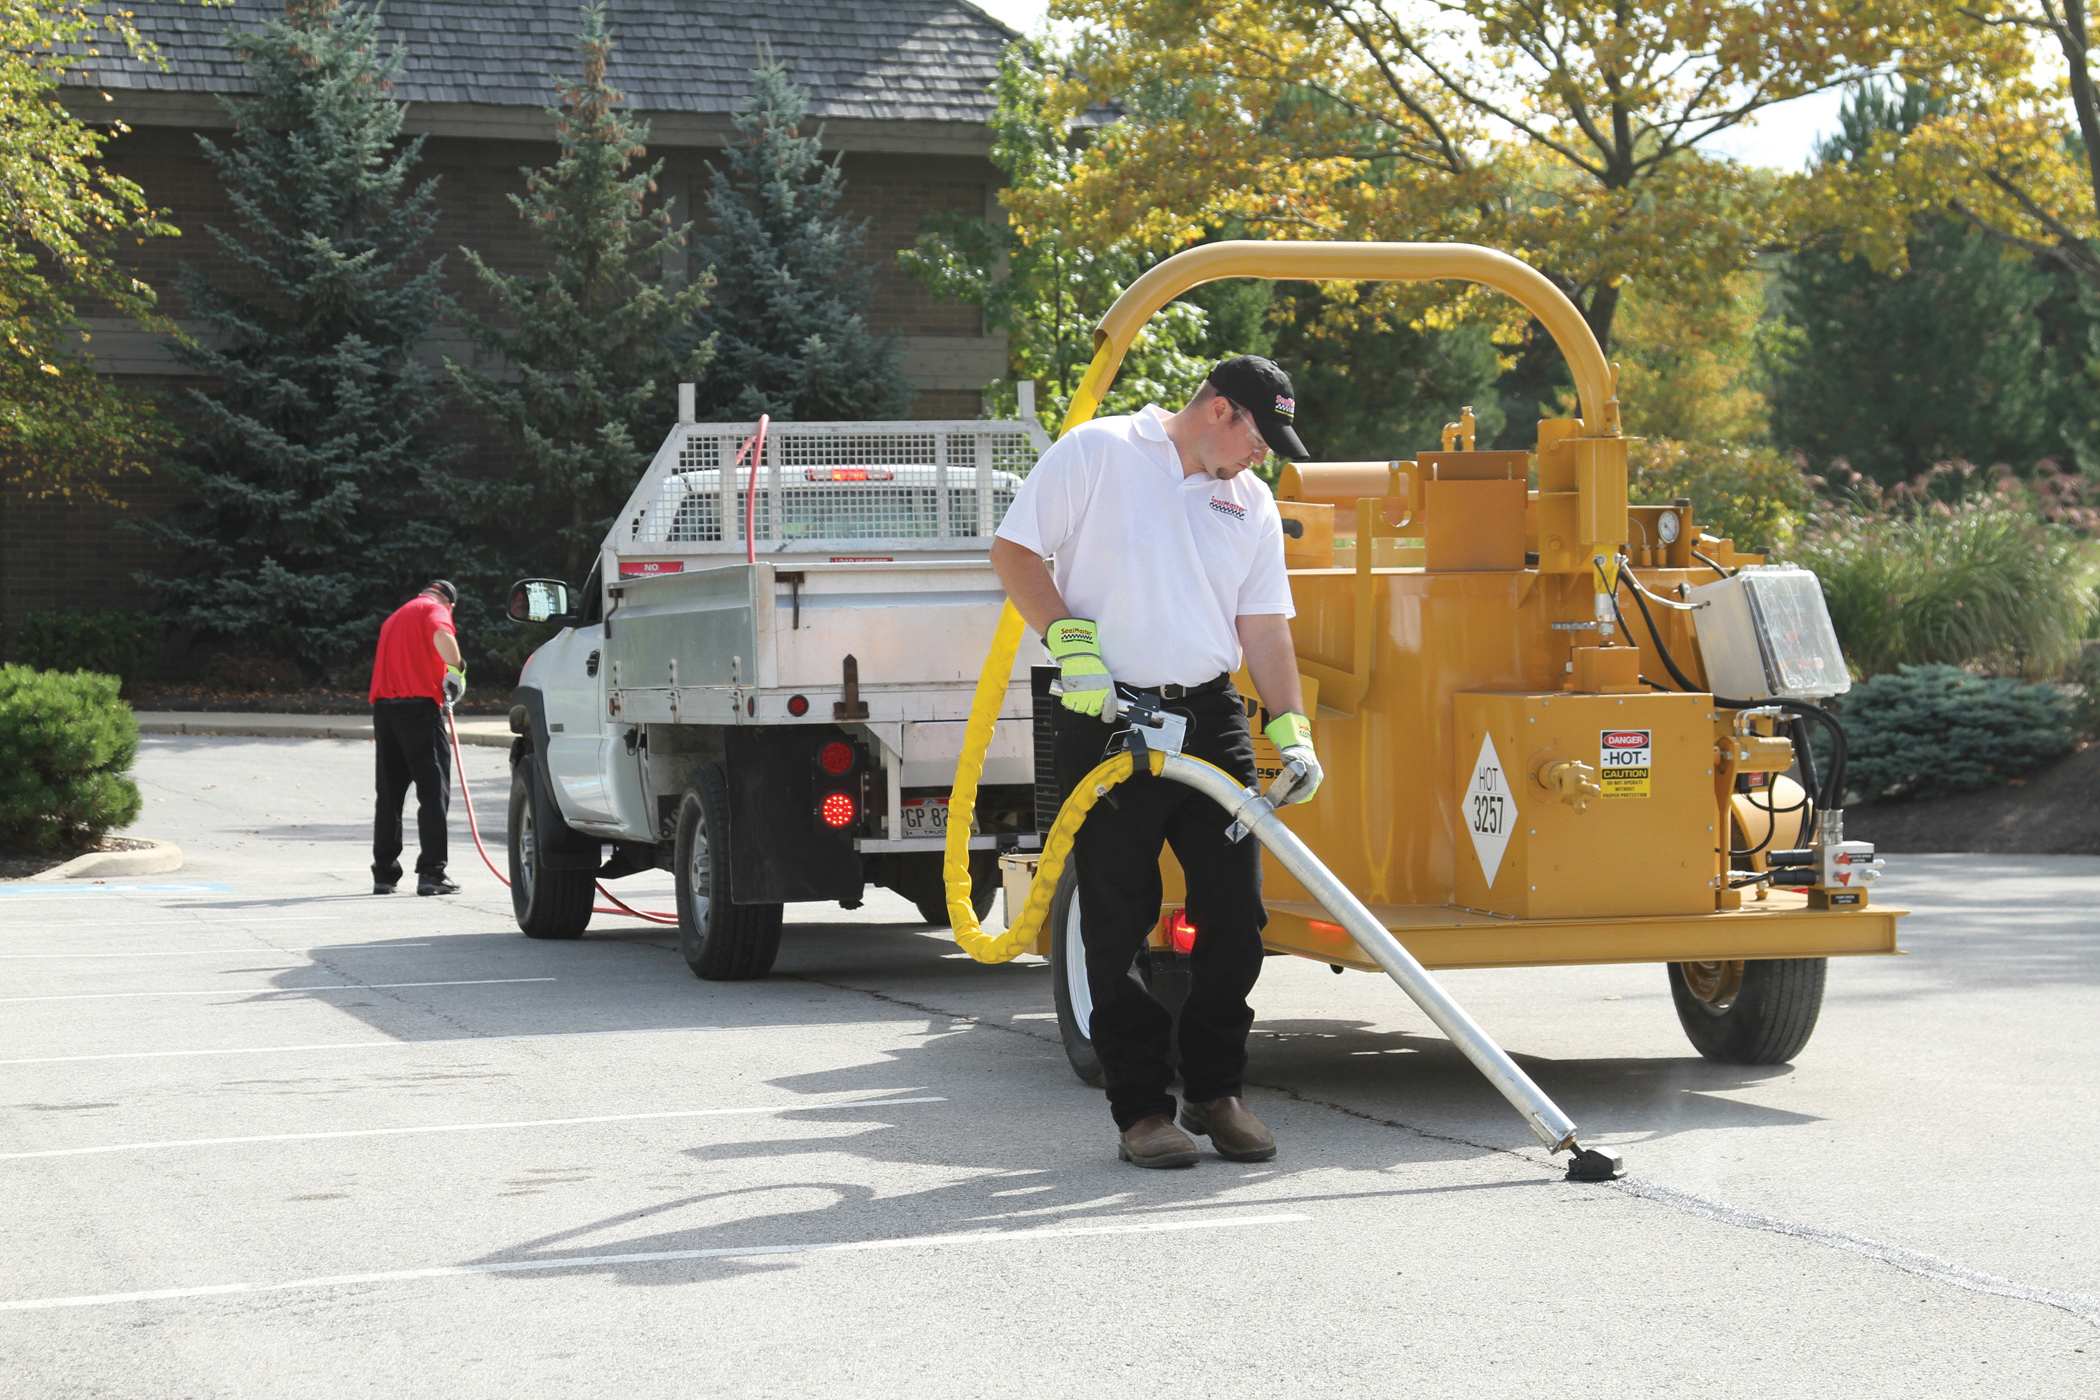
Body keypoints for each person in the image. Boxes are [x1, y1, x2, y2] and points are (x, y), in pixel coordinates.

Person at [991, 356, 1324, 1169]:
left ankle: (1218, 1092)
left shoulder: (1248, 501)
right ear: (1218, 410)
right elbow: (1015, 554)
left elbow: (1266, 626)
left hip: (1209, 717)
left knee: (1235, 917)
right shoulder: (1097, 453)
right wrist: (1073, 646)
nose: (1264, 457)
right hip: (1106, 712)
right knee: (1116, 918)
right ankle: (1142, 1111)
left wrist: (1292, 729)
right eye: (1259, 437)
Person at [369, 579, 467, 896]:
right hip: (419, 712)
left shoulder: (393, 618)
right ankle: (431, 873)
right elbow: (442, 635)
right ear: (449, 603)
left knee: (389, 794)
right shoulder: (434, 610)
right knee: (433, 792)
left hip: (385, 712)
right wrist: (457, 667)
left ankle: (384, 873)